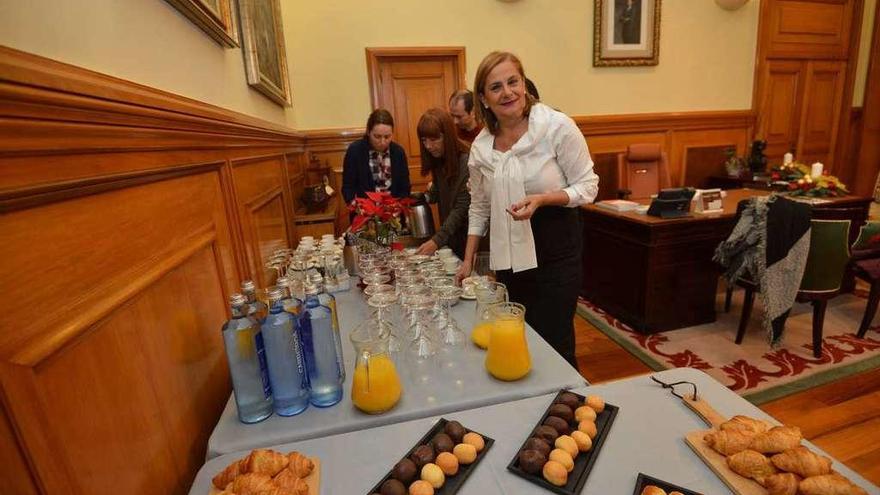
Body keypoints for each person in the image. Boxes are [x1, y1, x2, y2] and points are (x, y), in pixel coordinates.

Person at [456, 51, 599, 367]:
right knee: (516, 336)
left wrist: (543, 199)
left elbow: (588, 187)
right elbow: (479, 206)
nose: (507, 92)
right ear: (484, 98)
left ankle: (566, 408)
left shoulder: (556, 127)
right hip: (509, 257)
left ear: (524, 84)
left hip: (557, 250)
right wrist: (467, 260)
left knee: (555, 340)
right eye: (496, 87)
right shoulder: (480, 147)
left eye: (512, 82)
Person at [414, 108, 471, 258]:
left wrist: (436, 241)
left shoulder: (466, 160)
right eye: (424, 140)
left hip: (470, 239)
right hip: (452, 238)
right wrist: (423, 197)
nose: (428, 146)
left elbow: (461, 207)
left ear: (448, 136)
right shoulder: (439, 159)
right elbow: (438, 193)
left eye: (434, 139)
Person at [341, 109, 411, 206]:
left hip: (394, 213)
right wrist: (355, 204)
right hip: (364, 214)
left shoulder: (398, 152)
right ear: (368, 132)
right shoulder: (355, 151)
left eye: (387, 137)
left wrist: (398, 206)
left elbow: (405, 188)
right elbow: (348, 187)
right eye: (377, 136)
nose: (383, 142)